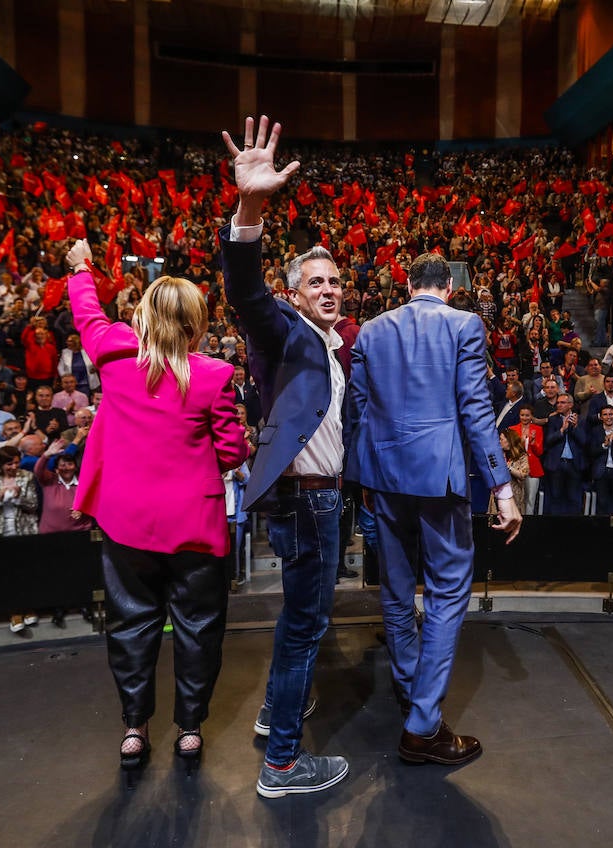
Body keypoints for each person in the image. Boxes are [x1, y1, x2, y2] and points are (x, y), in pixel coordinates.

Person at [66, 236, 247, 770]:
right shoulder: (214, 375)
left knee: (131, 626)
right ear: (195, 324)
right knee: (197, 629)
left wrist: (83, 267)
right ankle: (189, 729)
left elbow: (87, 314)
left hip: (128, 524)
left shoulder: (115, 355)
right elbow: (232, 451)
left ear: (143, 317)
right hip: (196, 525)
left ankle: (134, 729)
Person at [346, 246, 521, 771]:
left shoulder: (372, 331)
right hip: (439, 479)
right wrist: (503, 488)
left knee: (397, 591)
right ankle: (422, 726)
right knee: (447, 592)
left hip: (383, 478)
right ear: (449, 287)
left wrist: (363, 477)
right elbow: (475, 407)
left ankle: (409, 691)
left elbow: (358, 408)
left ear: (407, 288)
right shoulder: (465, 324)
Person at [219, 117, 351, 798]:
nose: (330, 290)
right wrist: (251, 204)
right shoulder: (285, 330)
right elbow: (244, 289)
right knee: (306, 627)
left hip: (319, 498)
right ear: (296, 293)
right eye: (317, 283)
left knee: (300, 623)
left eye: (336, 282)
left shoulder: (329, 348)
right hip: (308, 501)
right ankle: (282, 767)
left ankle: (275, 714)